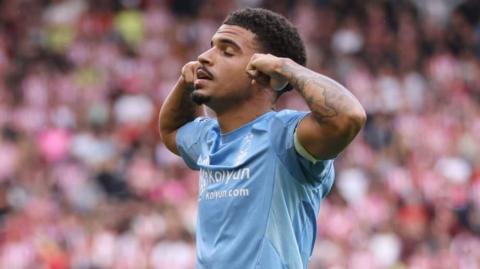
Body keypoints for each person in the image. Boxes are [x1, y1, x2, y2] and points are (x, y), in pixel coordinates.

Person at [159, 7, 366, 269]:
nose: (203, 57)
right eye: (211, 47)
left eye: (227, 51)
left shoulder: (284, 136)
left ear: (263, 72)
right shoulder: (209, 138)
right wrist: (184, 83)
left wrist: (285, 66)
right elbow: (171, 130)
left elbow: (349, 117)